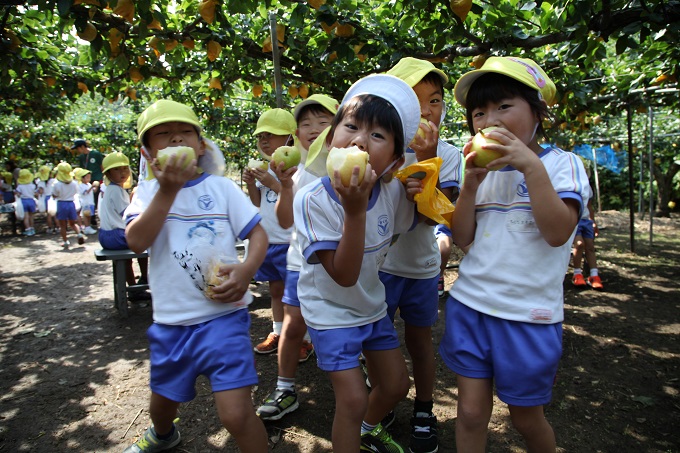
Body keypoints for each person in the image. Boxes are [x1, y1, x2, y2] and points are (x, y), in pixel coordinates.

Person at [439, 56, 591, 452]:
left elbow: (558, 233)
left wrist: (530, 168)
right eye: (479, 112)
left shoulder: (564, 166)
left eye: (504, 106)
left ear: (537, 110)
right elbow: (463, 238)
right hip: (472, 306)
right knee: (470, 414)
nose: (491, 119)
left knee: (525, 417)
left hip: (529, 317)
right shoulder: (480, 170)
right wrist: (470, 186)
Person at [122, 99, 269, 453]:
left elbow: (258, 233)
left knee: (236, 415)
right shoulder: (145, 193)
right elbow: (137, 241)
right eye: (164, 135)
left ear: (200, 145)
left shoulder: (221, 189)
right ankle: (163, 434)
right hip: (171, 325)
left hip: (224, 318)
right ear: (147, 152)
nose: (176, 140)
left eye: (185, 133)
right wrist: (168, 190)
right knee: (162, 404)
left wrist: (247, 269)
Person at [293, 74, 423, 452]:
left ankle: (366, 429)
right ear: (332, 138)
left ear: (395, 160)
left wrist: (419, 192)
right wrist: (354, 211)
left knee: (398, 386)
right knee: (349, 399)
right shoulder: (312, 200)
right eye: (350, 127)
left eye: (378, 136)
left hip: (371, 306)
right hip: (330, 310)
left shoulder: (390, 190)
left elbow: (415, 223)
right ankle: (354, 428)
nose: (360, 140)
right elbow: (344, 275)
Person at [378, 56, 463, 453]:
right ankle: (383, 397)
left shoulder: (449, 154)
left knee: (419, 341)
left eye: (436, 100)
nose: (429, 110)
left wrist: (427, 163)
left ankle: (425, 409)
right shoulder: (385, 149)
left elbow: (443, 218)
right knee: (376, 341)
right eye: (417, 100)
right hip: (380, 267)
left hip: (423, 267)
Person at [255, 94, 338, 421]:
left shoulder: (349, 165)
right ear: (296, 133)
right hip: (299, 264)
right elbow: (286, 220)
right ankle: (285, 388)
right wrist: (286, 186)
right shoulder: (297, 170)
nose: (313, 129)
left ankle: (356, 382)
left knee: (344, 325)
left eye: (323, 122)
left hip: (339, 266)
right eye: (305, 123)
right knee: (292, 327)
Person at [243, 108, 296, 355]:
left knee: (294, 295)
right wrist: (251, 184)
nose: (264, 140)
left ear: (289, 138)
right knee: (275, 290)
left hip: (289, 241)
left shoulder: (294, 167)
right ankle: (277, 330)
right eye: (261, 135)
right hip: (270, 241)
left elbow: (293, 199)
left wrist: (273, 182)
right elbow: (257, 201)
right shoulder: (264, 167)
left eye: (271, 134)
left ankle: (302, 337)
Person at [98, 152, 149, 301]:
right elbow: (128, 215)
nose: (122, 173)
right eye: (116, 170)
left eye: (125, 169)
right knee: (143, 241)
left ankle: (135, 284)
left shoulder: (111, 190)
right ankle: (141, 282)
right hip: (115, 235)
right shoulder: (117, 191)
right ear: (108, 173)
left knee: (131, 254)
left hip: (106, 234)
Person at [572, 194, 604, 290]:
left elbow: (589, 206)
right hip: (574, 219)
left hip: (586, 221)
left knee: (590, 247)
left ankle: (594, 276)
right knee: (579, 244)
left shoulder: (588, 187)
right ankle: (577, 274)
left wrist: (593, 222)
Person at [51, 162, 86, 248]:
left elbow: (54, 195)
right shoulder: (74, 183)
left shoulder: (56, 184)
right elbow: (75, 192)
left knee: (62, 225)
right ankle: (79, 234)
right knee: (73, 223)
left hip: (61, 203)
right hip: (71, 203)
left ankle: (65, 241)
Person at [72, 138, 104, 225]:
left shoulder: (96, 154)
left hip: (96, 179)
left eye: (78, 148)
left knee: (95, 196)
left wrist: (103, 178)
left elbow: (102, 166)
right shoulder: (81, 157)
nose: (77, 151)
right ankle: (90, 217)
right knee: (88, 197)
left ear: (82, 146)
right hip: (86, 181)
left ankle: (94, 216)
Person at [14, 168, 37, 236]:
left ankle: (28, 229)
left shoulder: (20, 186)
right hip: (31, 200)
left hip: (23, 201)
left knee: (26, 217)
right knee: (31, 216)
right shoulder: (32, 185)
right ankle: (32, 229)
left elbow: (17, 194)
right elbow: (35, 193)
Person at [75, 168, 97, 235]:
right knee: (85, 215)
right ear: (82, 178)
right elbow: (85, 193)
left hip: (90, 202)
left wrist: (96, 187)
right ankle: (87, 227)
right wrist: (92, 187)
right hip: (85, 203)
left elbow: (93, 191)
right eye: (87, 177)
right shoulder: (80, 185)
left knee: (89, 215)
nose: (89, 179)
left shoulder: (89, 184)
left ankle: (88, 226)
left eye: (89, 177)